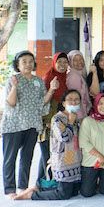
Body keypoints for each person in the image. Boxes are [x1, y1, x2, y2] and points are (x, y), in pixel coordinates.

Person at [1, 50, 56, 197]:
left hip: (32, 124)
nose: (28, 64)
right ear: (17, 65)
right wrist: (14, 87)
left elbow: (42, 102)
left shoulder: (38, 81)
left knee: (27, 157)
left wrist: (51, 90)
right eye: (24, 61)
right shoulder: (13, 79)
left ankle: (22, 187)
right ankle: (9, 190)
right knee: (10, 158)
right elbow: (11, 103)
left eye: (31, 61)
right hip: (14, 124)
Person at [14, 89, 83, 201]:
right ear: (63, 103)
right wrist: (70, 122)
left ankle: (40, 188)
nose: (74, 102)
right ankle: (32, 195)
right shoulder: (57, 119)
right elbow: (65, 137)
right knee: (63, 194)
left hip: (74, 159)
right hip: (63, 159)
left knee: (74, 192)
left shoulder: (76, 118)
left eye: (76, 100)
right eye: (70, 99)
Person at [38, 52, 69, 181]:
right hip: (48, 125)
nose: (62, 65)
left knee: (50, 155)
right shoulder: (48, 78)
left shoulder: (64, 78)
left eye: (65, 62)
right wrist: (47, 121)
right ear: (54, 63)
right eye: (59, 62)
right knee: (47, 155)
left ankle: (44, 182)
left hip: (59, 123)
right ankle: (46, 182)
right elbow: (42, 102)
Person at [66, 50, 91, 116]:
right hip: (78, 113)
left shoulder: (79, 74)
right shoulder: (73, 77)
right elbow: (75, 98)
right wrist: (81, 114)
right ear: (70, 62)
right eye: (75, 60)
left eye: (81, 59)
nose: (79, 62)